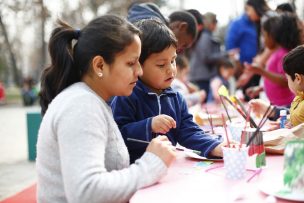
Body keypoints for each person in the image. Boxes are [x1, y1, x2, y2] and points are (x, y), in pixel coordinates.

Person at [36, 15, 176, 203]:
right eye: (131, 63)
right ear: (99, 65)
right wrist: (151, 164)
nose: (140, 71)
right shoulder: (81, 106)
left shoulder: (93, 101)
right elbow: (86, 191)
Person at [111, 19, 224, 164]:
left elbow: (188, 131)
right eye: (161, 64)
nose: (170, 69)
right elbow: (117, 137)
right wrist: (149, 125)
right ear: (138, 65)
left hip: (168, 169)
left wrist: (215, 147)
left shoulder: (176, 98)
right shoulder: (126, 96)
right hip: (136, 172)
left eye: (173, 60)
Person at [244, 13, 301, 106]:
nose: (262, 39)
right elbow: (276, 80)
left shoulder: (283, 54)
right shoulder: (276, 54)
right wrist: (261, 88)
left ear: (273, 36)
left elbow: (285, 81)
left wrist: (261, 71)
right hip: (278, 105)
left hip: (286, 106)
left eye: (264, 35)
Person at [250, 45, 304, 128]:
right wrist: (288, 122)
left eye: (287, 78)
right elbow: (298, 117)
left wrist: (293, 128)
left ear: (297, 78)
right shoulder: (299, 97)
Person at [225, 0, 270, 100]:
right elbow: (231, 47)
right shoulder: (237, 24)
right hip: (245, 67)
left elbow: (267, 48)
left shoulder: (263, 20)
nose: (247, 13)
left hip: (260, 66)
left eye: (249, 9)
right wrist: (238, 65)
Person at [189, 12, 236, 99]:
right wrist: (226, 54)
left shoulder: (203, 35)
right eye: (215, 22)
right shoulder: (205, 36)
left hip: (200, 75)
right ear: (211, 23)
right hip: (201, 76)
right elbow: (206, 57)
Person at [127, 2, 197, 53]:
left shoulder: (142, 18)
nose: (179, 49)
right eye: (184, 45)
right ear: (182, 27)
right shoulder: (153, 32)